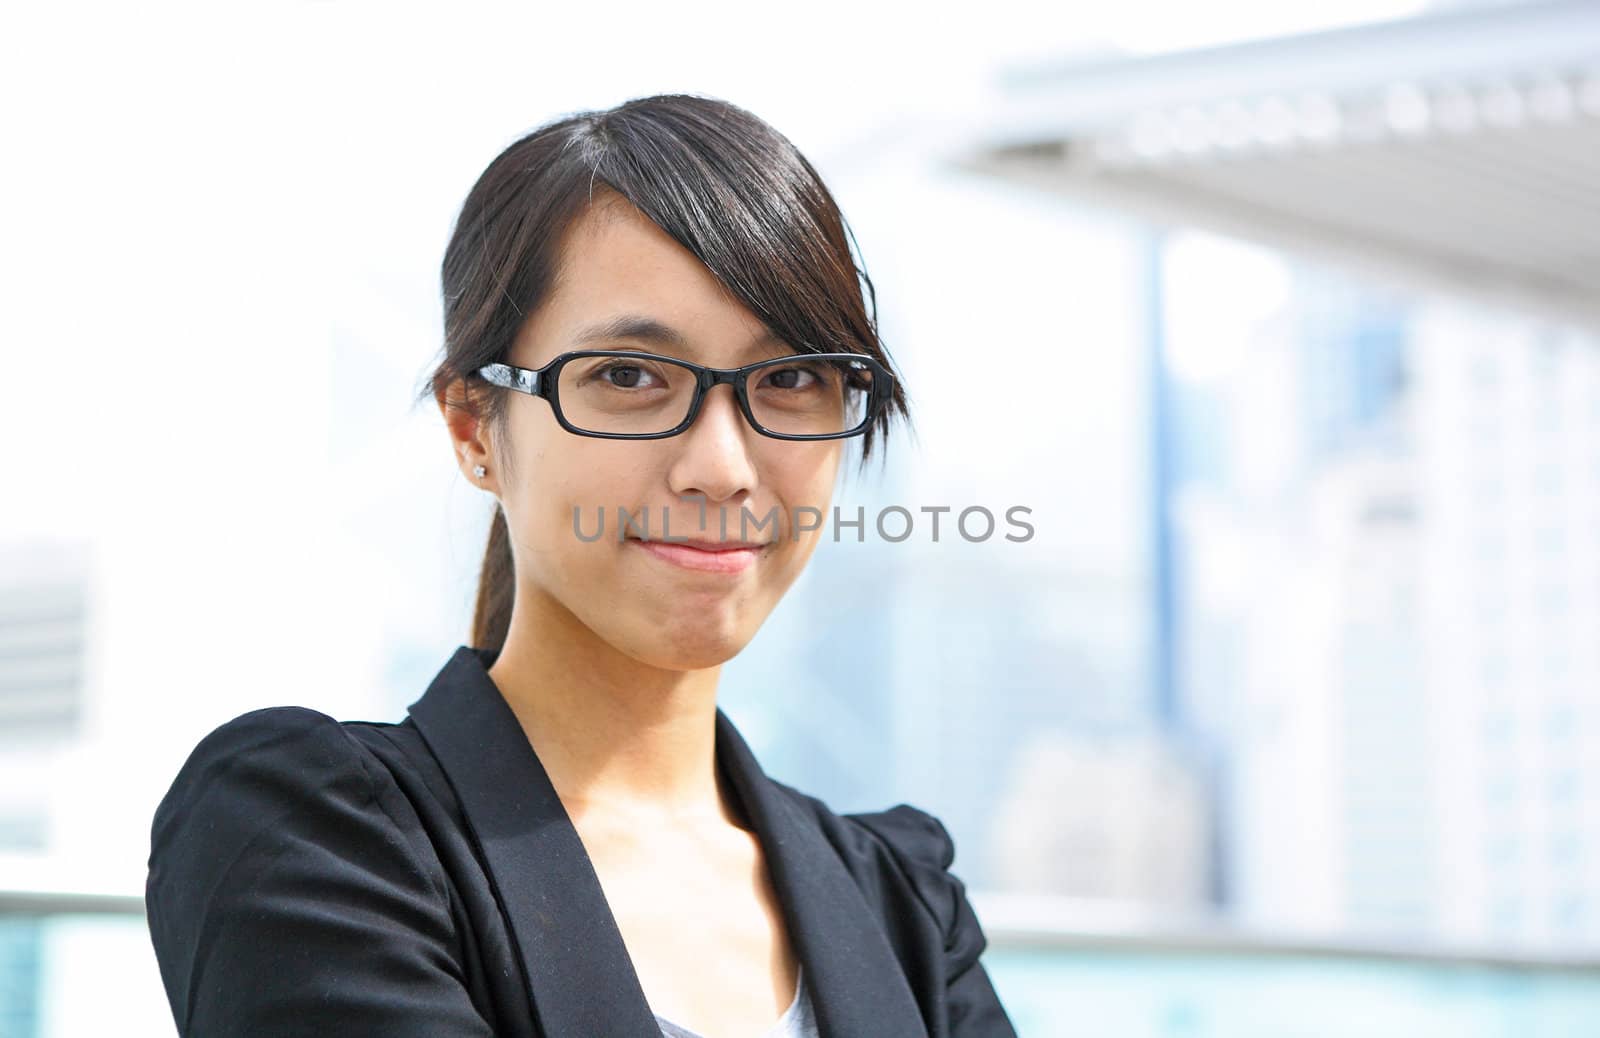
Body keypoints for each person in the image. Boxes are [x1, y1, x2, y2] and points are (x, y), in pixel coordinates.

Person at [144, 92, 1018, 1037]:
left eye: (791, 378)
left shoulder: (902, 905)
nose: (722, 469)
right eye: (630, 377)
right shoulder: (319, 837)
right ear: (474, 425)